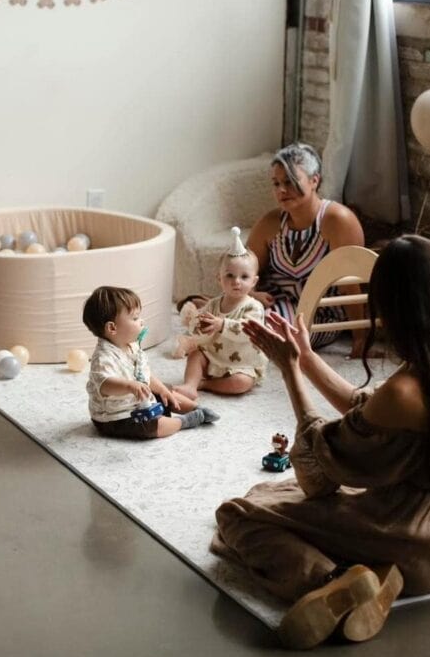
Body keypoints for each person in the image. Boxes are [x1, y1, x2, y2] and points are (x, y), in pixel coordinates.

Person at [212, 235, 430, 649]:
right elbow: (368, 414)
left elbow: (323, 466)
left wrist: (289, 372)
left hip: (412, 541)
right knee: (272, 491)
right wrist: (307, 359)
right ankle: (370, 576)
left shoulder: (404, 390)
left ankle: (337, 584)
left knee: (240, 514)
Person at [245, 142, 364, 350]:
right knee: (230, 319)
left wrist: (361, 339)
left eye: (290, 181)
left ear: (314, 181)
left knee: (257, 334)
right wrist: (252, 294)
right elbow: (243, 268)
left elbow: (350, 287)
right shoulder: (270, 223)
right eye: (276, 183)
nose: (282, 190)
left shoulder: (338, 221)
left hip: (319, 315)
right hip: (274, 304)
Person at [82, 285, 219, 439]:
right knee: (153, 426)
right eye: (134, 318)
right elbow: (105, 385)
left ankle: (196, 408)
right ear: (112, 328)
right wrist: (129, 386)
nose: (141, 321)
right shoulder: (103, 358)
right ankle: (186, 421)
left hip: (140, 400)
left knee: (167, 392)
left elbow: (144, 374)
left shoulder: (132, 346)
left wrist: (161, 390)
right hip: (118, 416)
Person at [172, 226, 268, 400]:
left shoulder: (254, 307)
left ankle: (204, 384)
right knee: (195, 356)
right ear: (219, 279)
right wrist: (198, 324)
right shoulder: (214, 303)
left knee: (242, 383)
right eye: (230, 275)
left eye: (244, 277)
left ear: (254, 281)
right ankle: (190, 386)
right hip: (213, 355)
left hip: (241, 364)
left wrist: (222, 324)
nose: (236, 282)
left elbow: (248, 330)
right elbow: (197, 321)